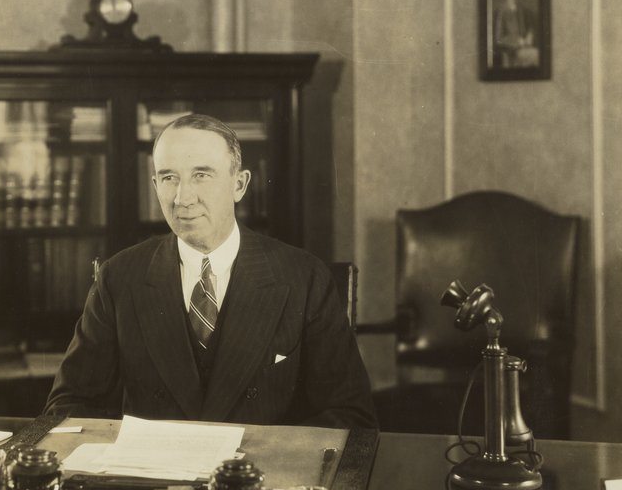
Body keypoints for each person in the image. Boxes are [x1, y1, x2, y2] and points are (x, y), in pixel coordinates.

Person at [44, 113, 376, 428]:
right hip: (154, 466)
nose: (183, 198)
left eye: (201, 175)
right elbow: (69, 405)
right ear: (155, 185)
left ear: (239, 185)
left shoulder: (304, 278)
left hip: (258, 468)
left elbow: (351, 414)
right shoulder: (119, 278)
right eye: (169, 178)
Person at [493, 0, 537, 69]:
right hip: (511, 51)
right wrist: (517, 41)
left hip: (524, 48)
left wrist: (530, 35)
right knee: (537, 55)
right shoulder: (501, 12)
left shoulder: (521, 10)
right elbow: (499, 39)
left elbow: (530, 27)